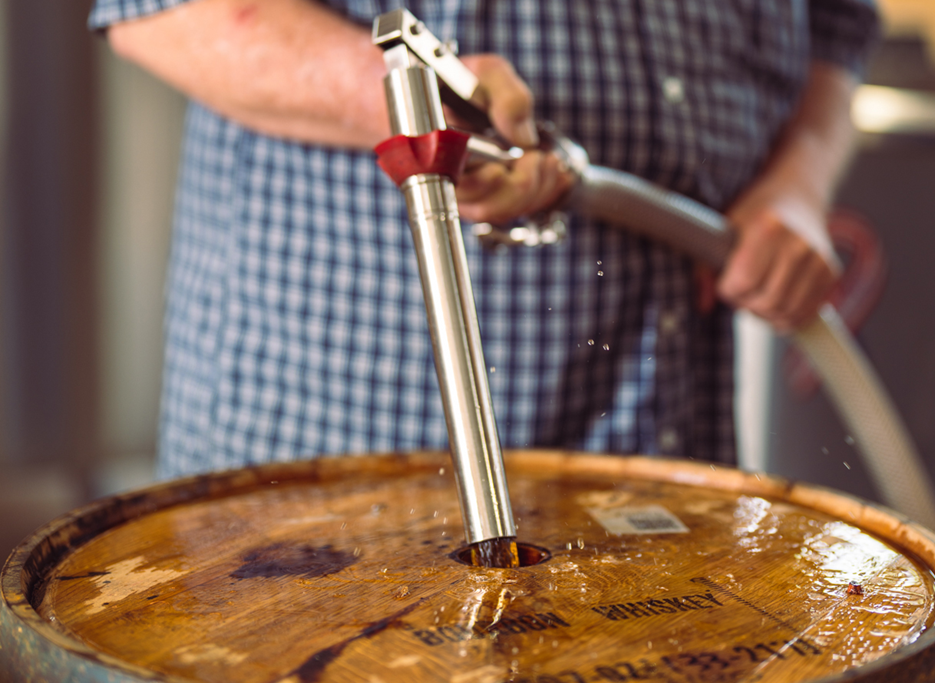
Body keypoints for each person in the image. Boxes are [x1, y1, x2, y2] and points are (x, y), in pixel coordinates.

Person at [89, 0, 878, 478]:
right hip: (333, 456)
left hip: (672, 448)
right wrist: (401, 100)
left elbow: (836, 26)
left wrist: (798, 183)